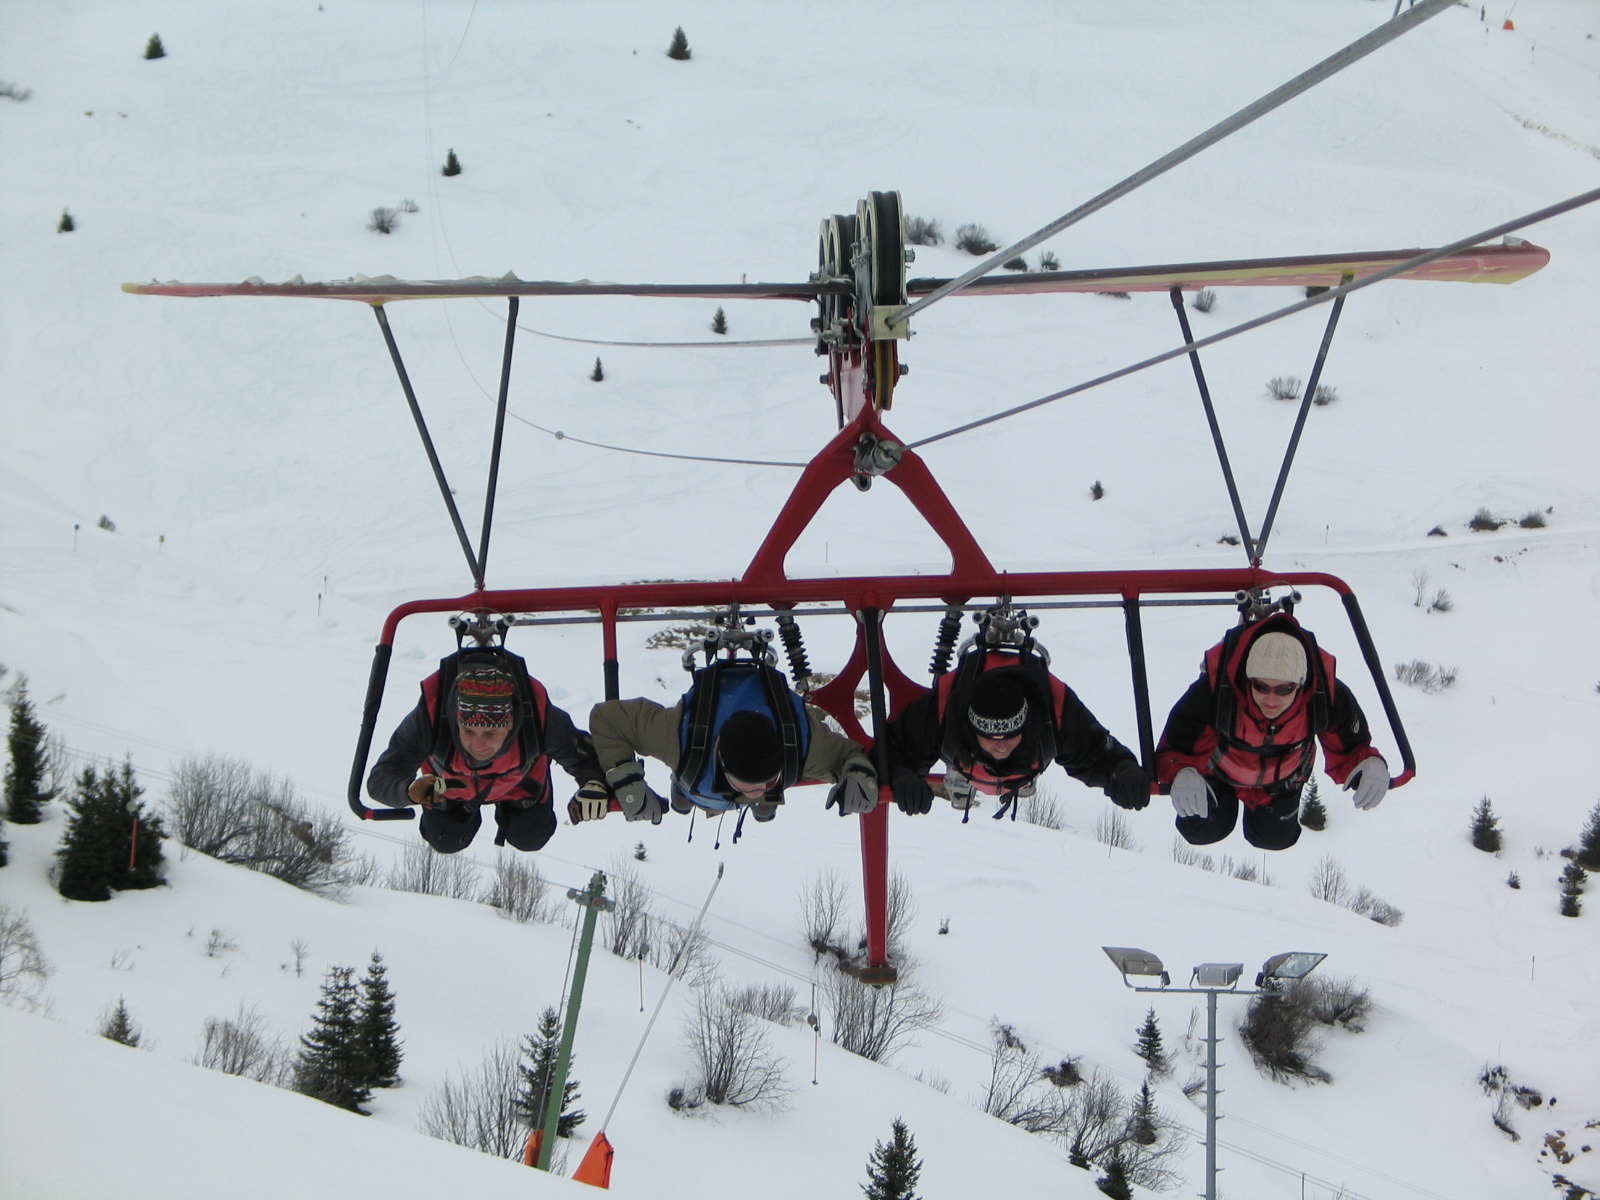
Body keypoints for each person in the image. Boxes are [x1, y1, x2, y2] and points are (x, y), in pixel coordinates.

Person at [1156, 613, 1387, 851]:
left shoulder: (1325, 699)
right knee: (1201, 831)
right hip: (1219, 771)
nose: (1271, 700)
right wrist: (1180, 772)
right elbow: (1173, 748)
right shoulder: (1215, 694)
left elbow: (1353, 748)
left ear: (1300, 685)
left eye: (1284, 689)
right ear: (1248, 680)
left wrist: (1370, 764)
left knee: (1274, 839)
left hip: (1281, 779)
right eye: (1261, 686)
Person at [582, 655, 877, 827]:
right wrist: (626, 781)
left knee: (763, 805)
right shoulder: (678, 738)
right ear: (723, 764)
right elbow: (608, 719)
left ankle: (765, 803)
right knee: (686, 794)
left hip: (749, 758)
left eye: (767, 782)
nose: (756, 790)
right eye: (751, 785)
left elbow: (850, 754)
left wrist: (858, 775)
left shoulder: (803, 745)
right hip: (698, 768)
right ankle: (683, 790)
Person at [367, 649, 609, 854]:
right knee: (445, 839)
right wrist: (409, 792)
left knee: (531, 837)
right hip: (449, 789)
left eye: (491, 733)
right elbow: (382, 777)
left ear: (511, 724)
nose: (478, 745)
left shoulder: (540, 721)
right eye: (468, 731)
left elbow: (585, 757)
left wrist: (594, 783)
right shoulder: (429, 721)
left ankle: (518, 807)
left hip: (519, 782)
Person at [886, 643, 1149, 819]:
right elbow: (893, 746)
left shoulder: (1054, 712)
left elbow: (1096, 750)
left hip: (1019, 756)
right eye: (990, 738)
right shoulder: (944, 711)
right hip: (964, 753)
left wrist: (1122, 771)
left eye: (1011, 736)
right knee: (952, 749)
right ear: (972, 728)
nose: (1001, 746)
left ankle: (1006, 768)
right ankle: (967, 767)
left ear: (1027, 724)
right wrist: (901, 775)